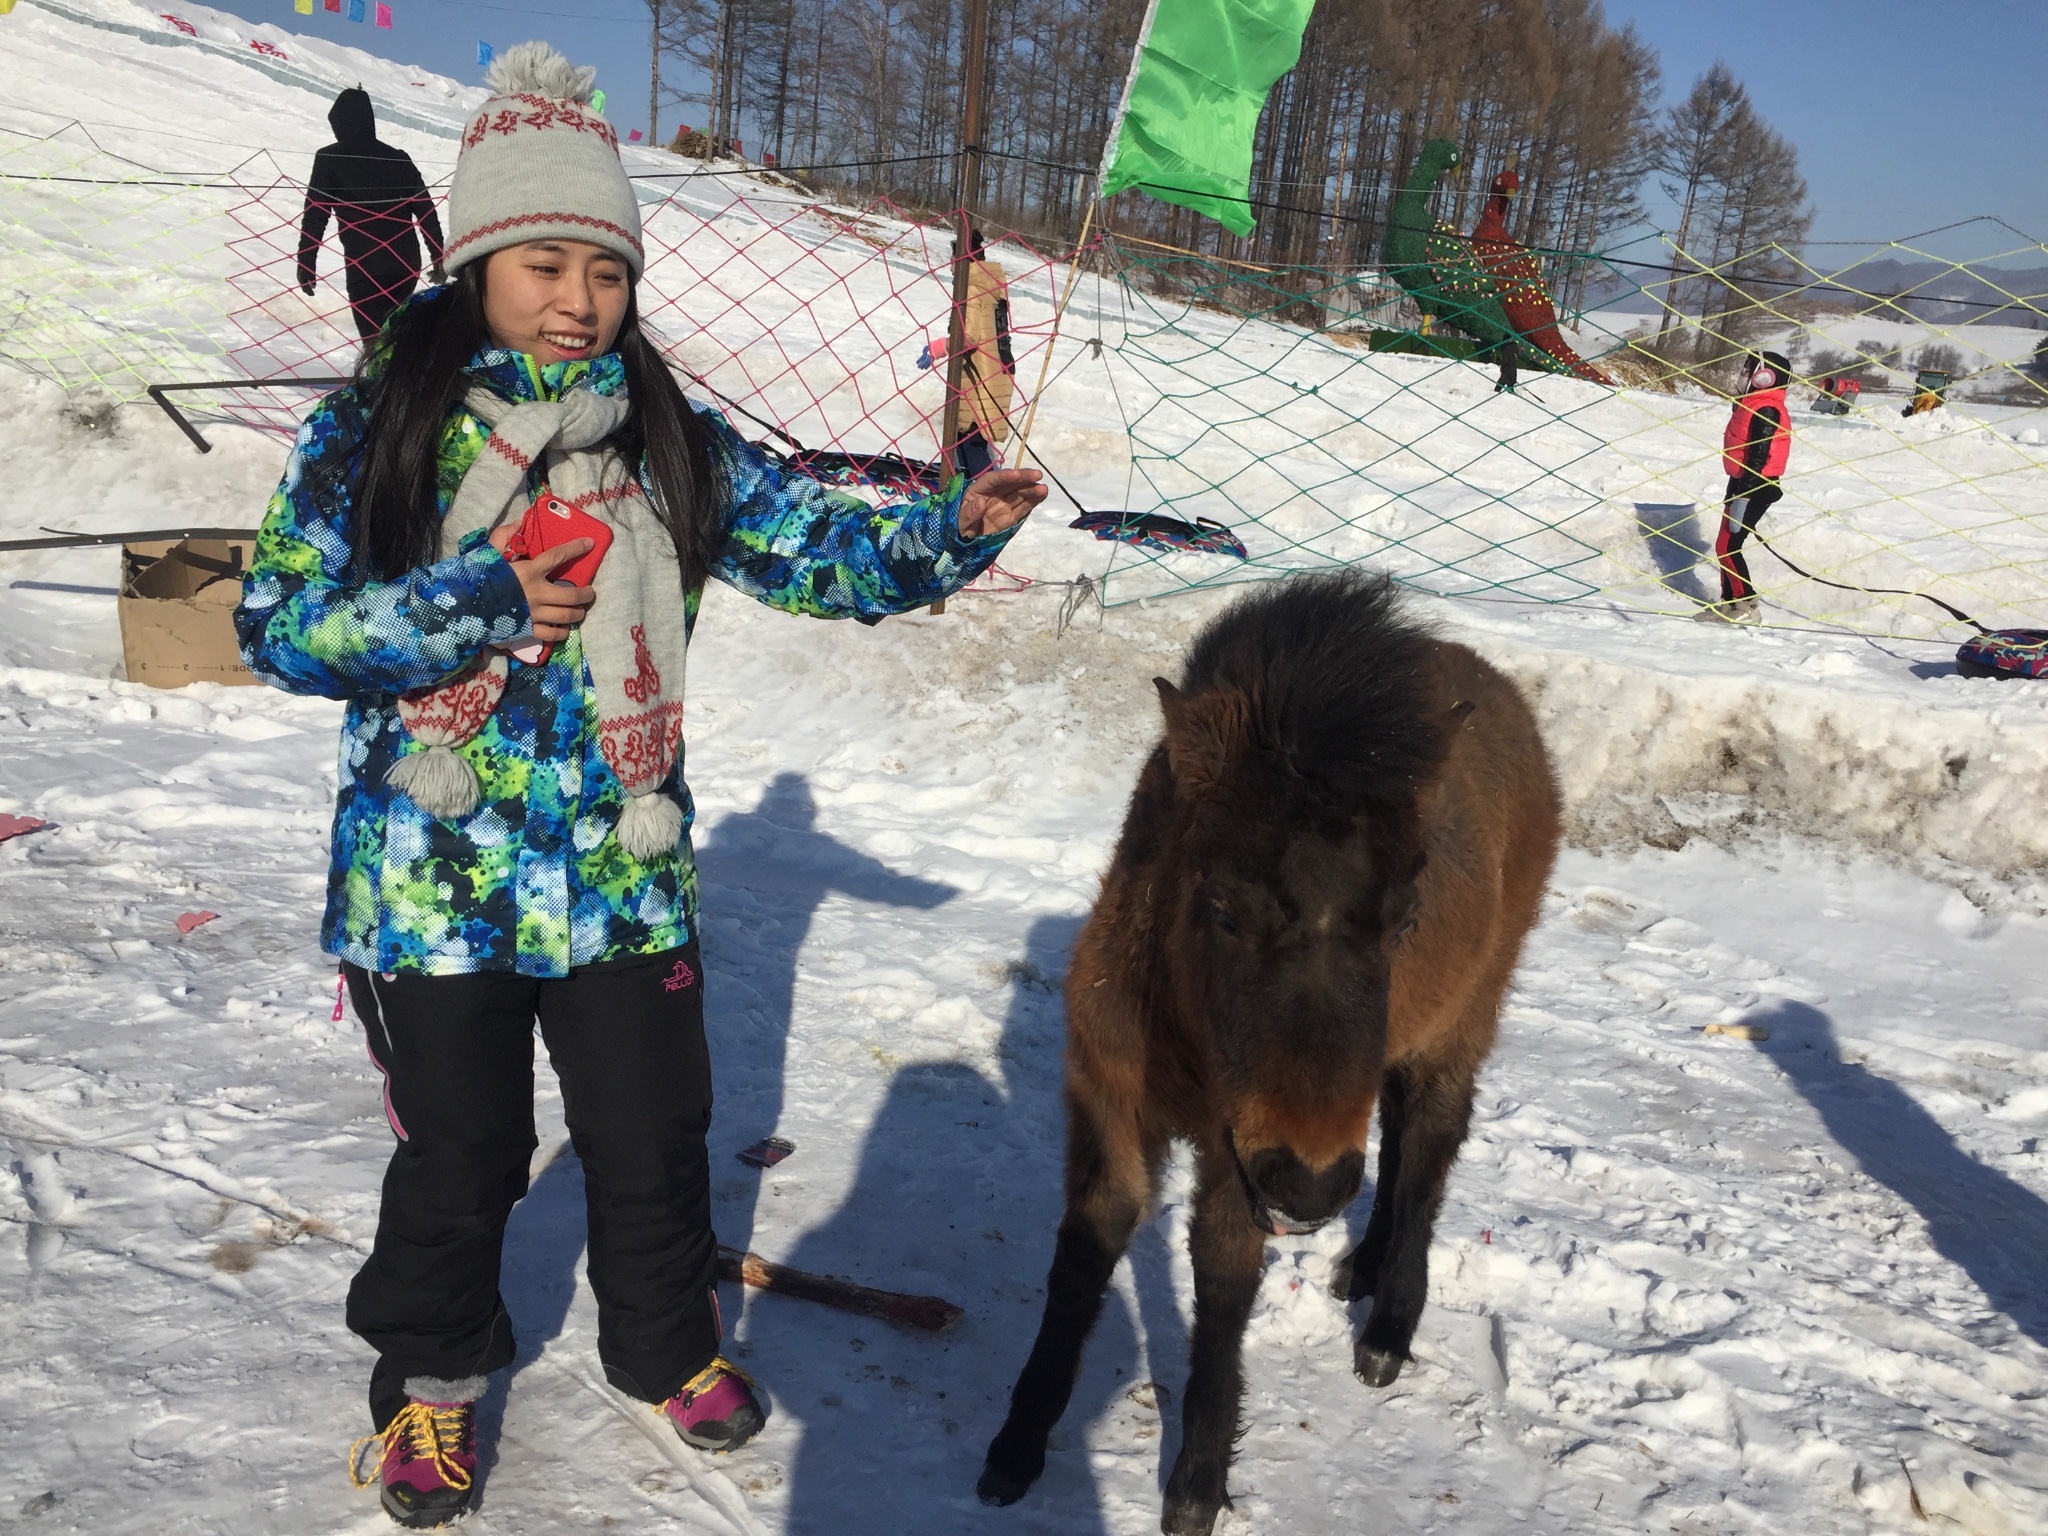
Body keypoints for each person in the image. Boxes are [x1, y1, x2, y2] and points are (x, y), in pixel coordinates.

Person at [237, 43, 1045, 1530]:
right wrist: (472, 601)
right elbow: (277, 625)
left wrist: (950, 532)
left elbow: (814, 547)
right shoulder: (384, 423)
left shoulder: (667, 426)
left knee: (653, 1130)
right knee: (463, 1155)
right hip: (432, 879)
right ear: (478, 259)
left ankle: (666, 1349)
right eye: (543, 262)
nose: (577, 300)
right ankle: (431, 1383)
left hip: (621, 861)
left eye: (603, 269)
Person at [298, 87, 446, 342]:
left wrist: (306, 261)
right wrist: (438, 257)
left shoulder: (329, 158)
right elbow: (425, 209)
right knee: (397, 338)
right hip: (406, 265)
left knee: (375, 343)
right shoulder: (398, 158)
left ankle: (387, 381)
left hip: (365, 266)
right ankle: (402, 379)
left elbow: (316, 215)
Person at [1700, 350, 1792, 624]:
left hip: (1755, 486)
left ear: (1765, 377)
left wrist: (1743, 492)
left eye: (1749, 369)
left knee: (1729, 546)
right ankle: (1729, 604)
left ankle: (1747, 606)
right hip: (1741, 482)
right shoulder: (1752, 403)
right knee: (1724, 546)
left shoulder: (1766, 408)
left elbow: (1759, 455)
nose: (1743, 374)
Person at [917, 228, 1015, 479]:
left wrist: (937, 348)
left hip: (978, 378)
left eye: (952, 259)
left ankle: (982, 496)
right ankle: (977, 491)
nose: (949, 266)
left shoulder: (971, 290)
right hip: (994, 373)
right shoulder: (992, 288)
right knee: (972, 439)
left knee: (969, 439)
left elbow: (968, 338)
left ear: (962, 260)